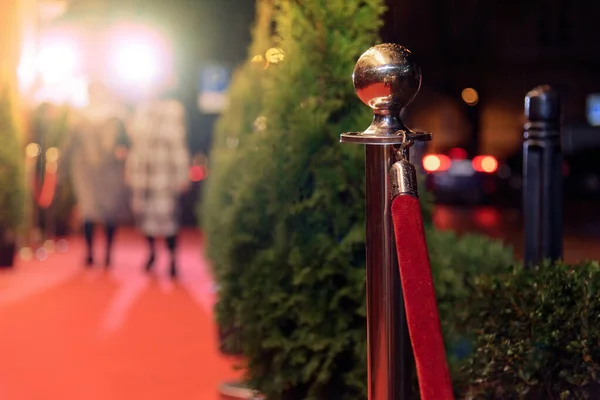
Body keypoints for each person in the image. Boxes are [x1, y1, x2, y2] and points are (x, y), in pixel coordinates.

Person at [60, 81, 129, 267]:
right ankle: (90, 253)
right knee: (88, 211)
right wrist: (62, 168)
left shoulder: (116, 116)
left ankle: (108, 254)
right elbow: (69, 145)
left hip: (109, 171)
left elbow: (125, 143)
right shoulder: (79, 117)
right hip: (85, 172)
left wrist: (122, 155)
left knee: (109, 212)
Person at [125, 84, 190, 279]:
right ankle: (152, 253)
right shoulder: (140, 112)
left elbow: (178, 146)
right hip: (144, 176)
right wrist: (131, 172)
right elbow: (135, 143)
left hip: (165, 176)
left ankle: (172, 258)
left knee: (168, 219)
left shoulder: (172, 112)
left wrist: (181, 175)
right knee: (145, 218)